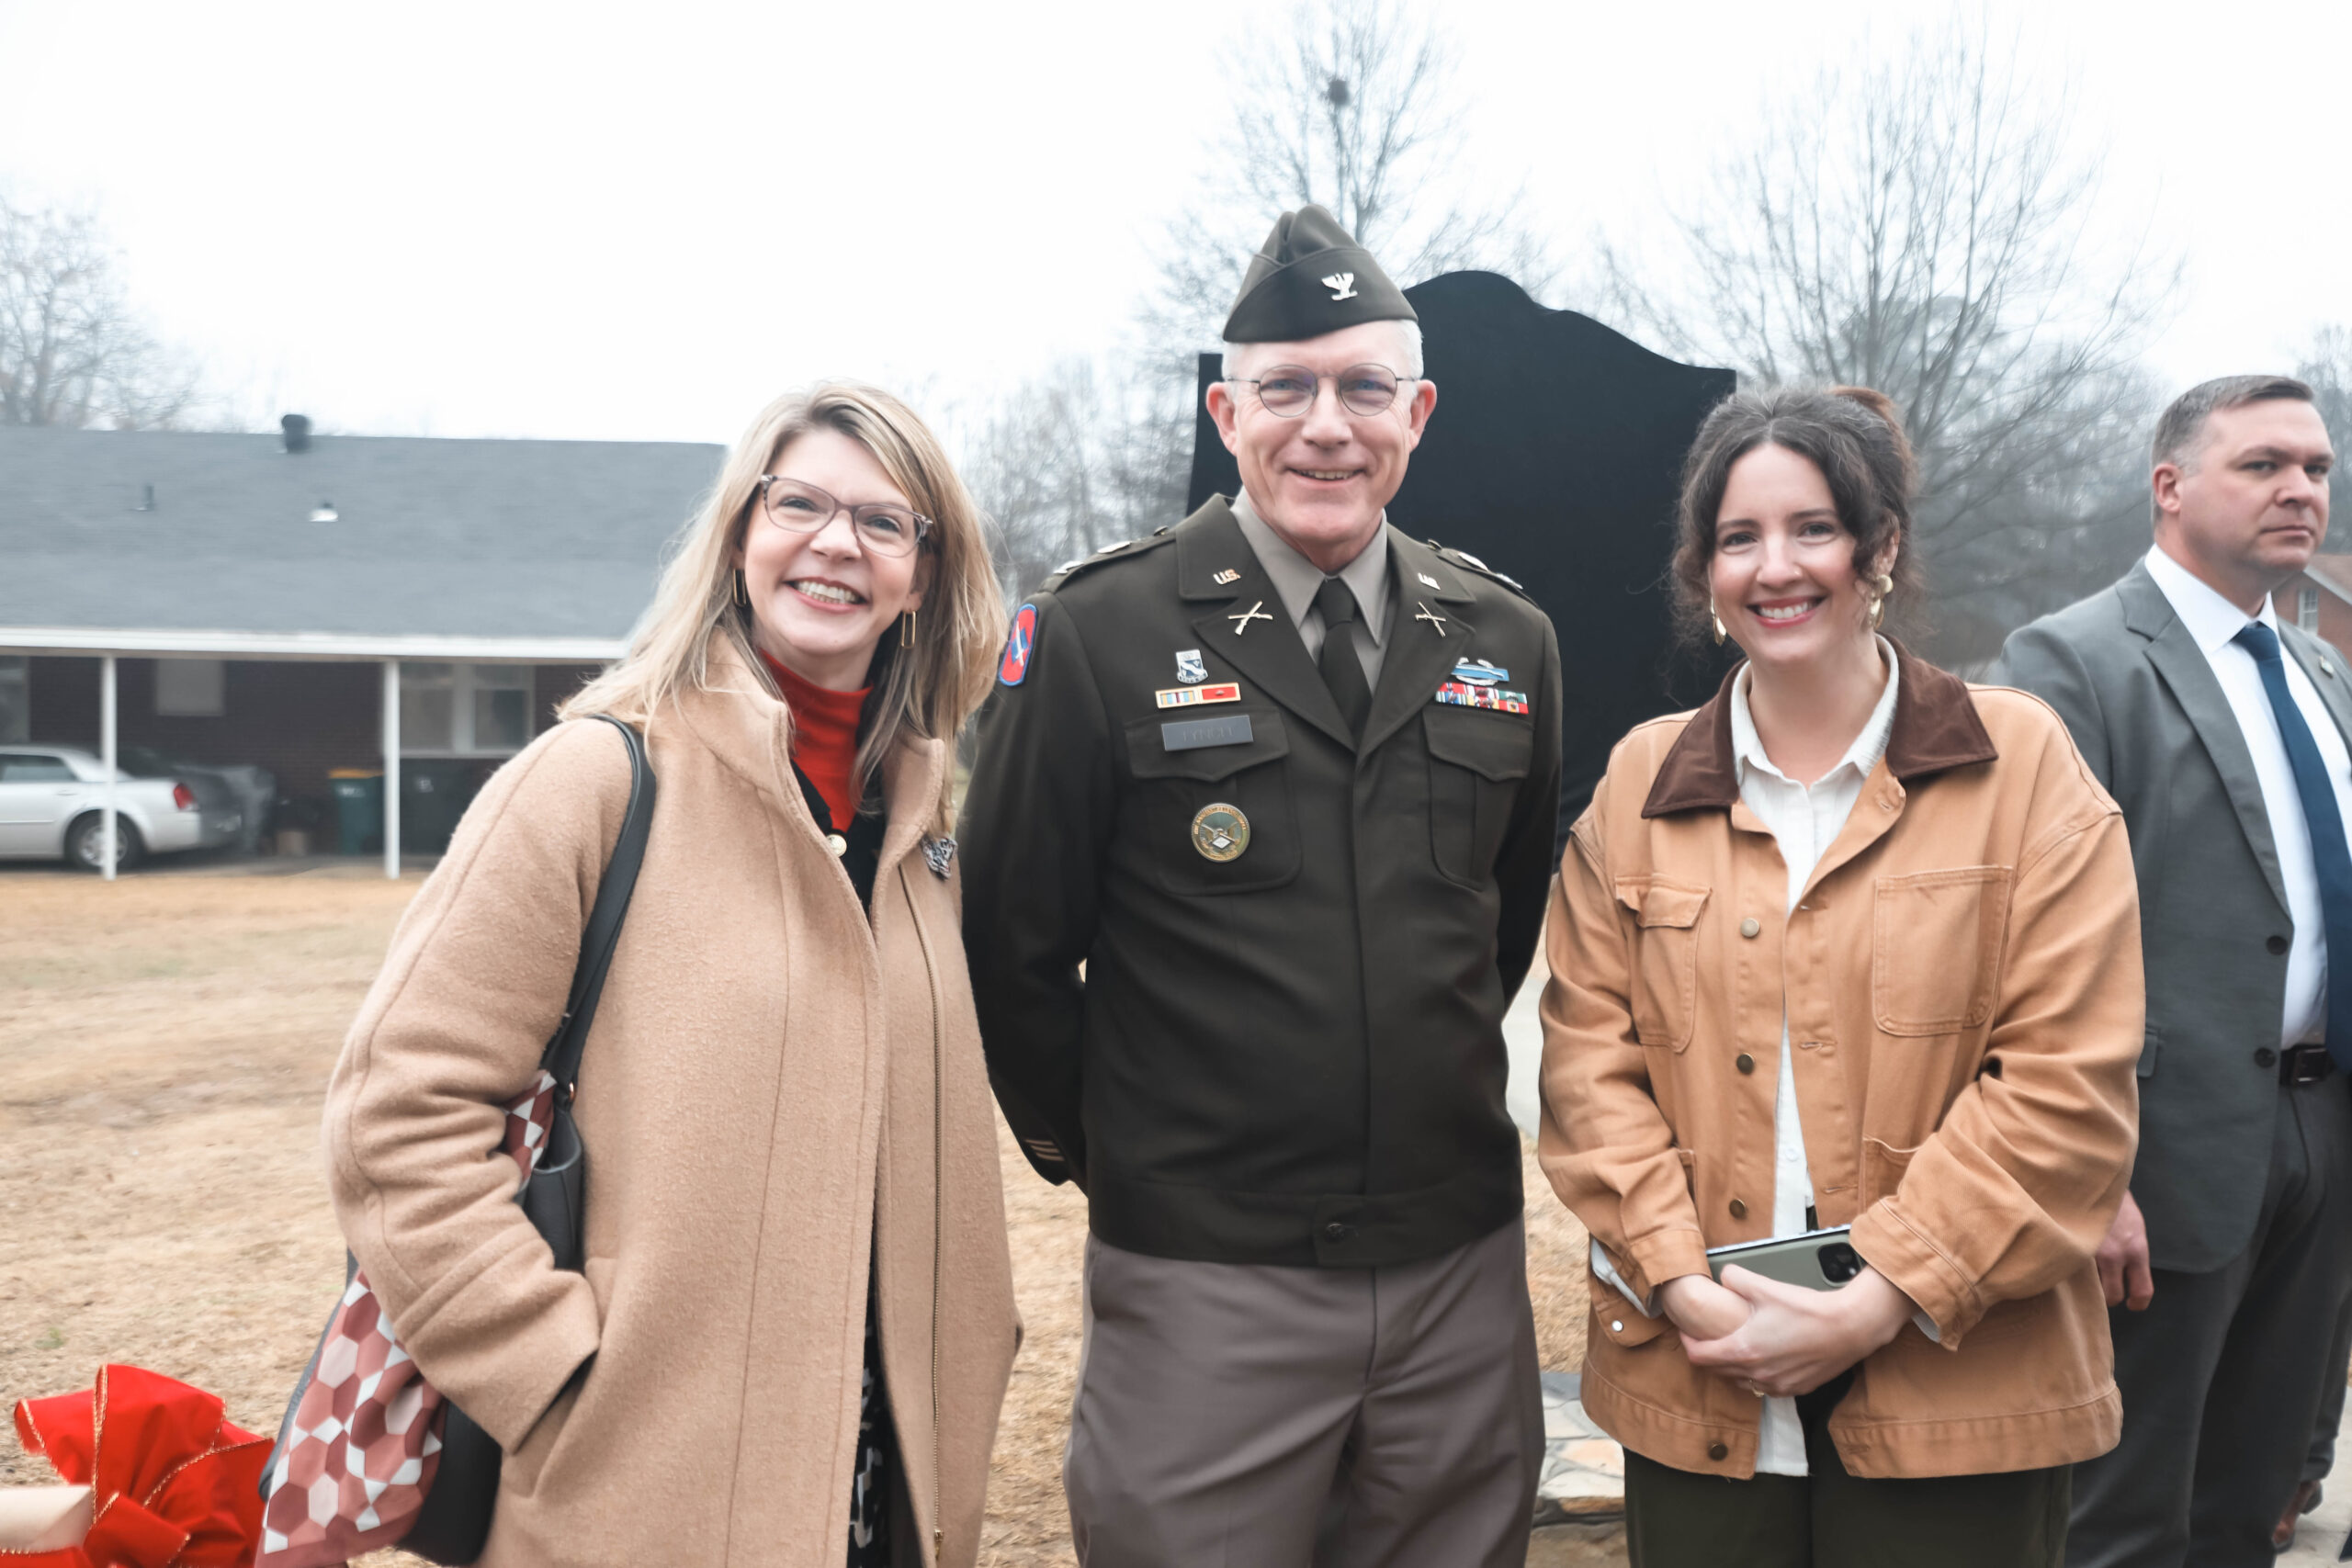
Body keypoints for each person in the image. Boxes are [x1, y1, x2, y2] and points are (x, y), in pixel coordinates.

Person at [320, 383, 1017, 1567]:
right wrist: (551, 1374)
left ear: (923, 576)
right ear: (741, 534)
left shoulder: (920, 832)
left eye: (882, 522)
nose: (837, 543)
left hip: (885, 1488)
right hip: (636, 1490)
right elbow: (397, 1115)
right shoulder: (592, 781)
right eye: (799, 505)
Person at [959, 204, 1563, 1567]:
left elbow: (1494, 929)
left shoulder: (1507, 639)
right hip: (1204, 1277)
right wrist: (1136, 1158)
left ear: (1417, 413)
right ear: (1227, 413)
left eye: (1363, 389)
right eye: (1285, 389)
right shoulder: (1099, 633)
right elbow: (1010, 946)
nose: (1325, 427)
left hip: (1454, 1273)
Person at [1541, 385, 2143, 1567]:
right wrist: (1680, 1285)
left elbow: (2066, 1083)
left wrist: (1881, 1295)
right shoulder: (1639, 784)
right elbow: (1585, 1072)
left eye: (1812, 528)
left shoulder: (2022, 765)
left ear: (1880, 548)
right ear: (1702, 571)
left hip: (1959, 1391)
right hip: (1702, 1381)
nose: (1775, 567)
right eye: (1738, 537)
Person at [1992, 374, 2352, 1568]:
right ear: (2170, 486)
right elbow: (2016, 937)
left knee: (2248, 1506)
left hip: (2319, 1134)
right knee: (2125, 1519)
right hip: (2157, 1157)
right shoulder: (2071, 661)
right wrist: (2087, 1173)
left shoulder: (2321, 674)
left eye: (2315, 467)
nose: (2299, 489)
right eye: (2262, 464)